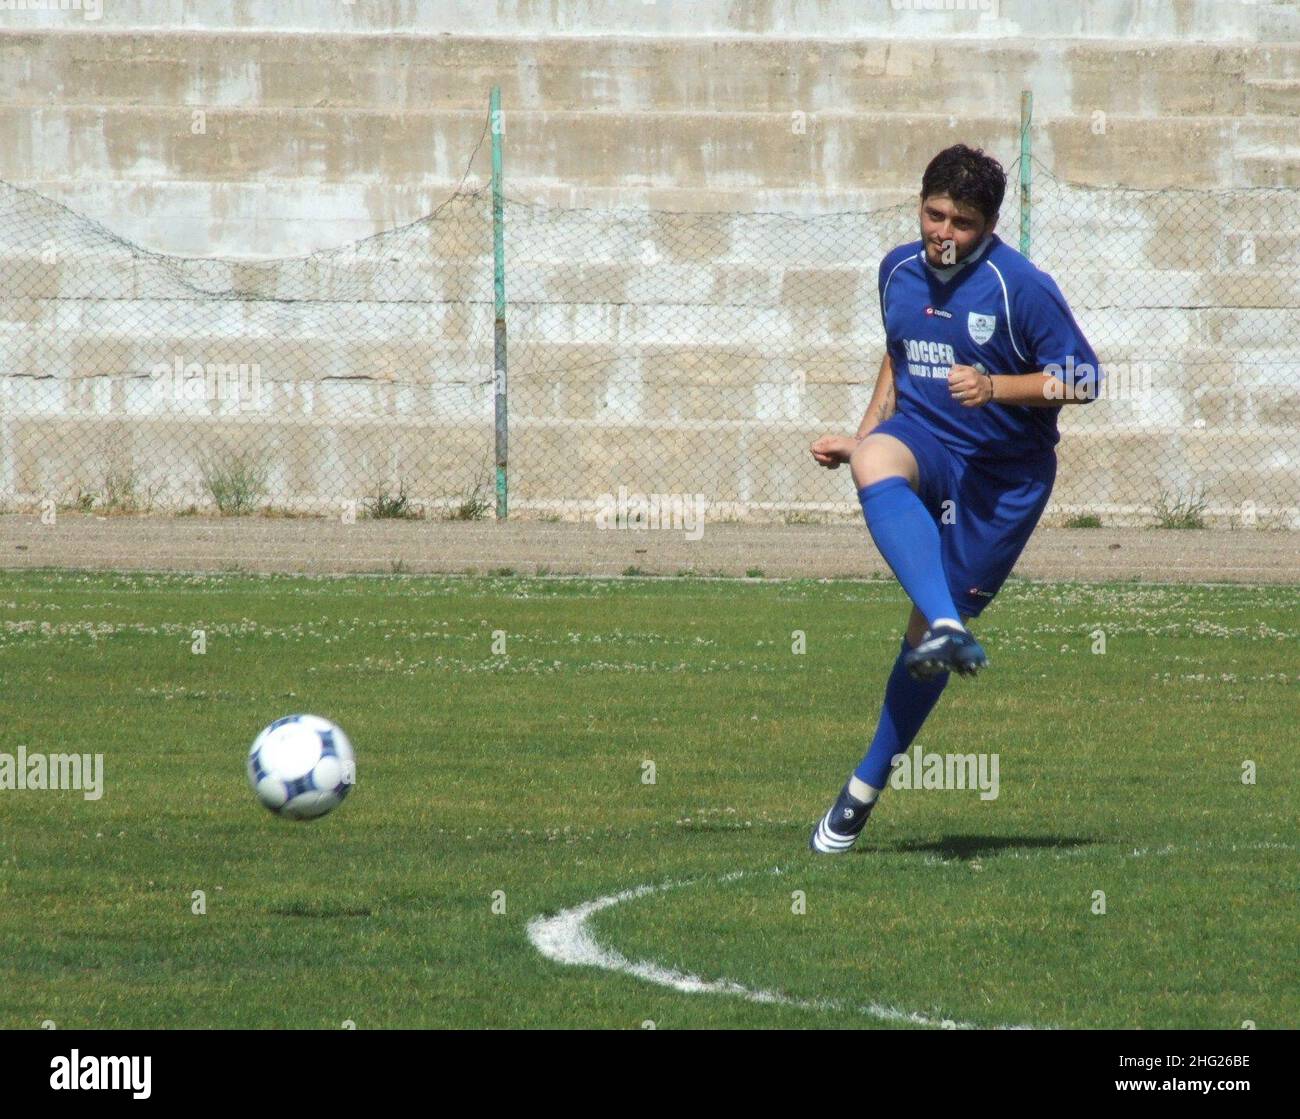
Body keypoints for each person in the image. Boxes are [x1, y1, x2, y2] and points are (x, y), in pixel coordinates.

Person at [808, 143, 1101, 855]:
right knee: (875, 459)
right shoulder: (897, 271)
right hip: (927, 440)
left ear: (990, 225)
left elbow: (1084, 379)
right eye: (933, 213)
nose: (943, 231)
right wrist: (862, 433)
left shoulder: (1020, 287)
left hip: (999, 478)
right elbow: (897, 352)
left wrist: (998, 386)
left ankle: (863, 788)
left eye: (961, 221)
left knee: (921, 641)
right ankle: (947, 619)